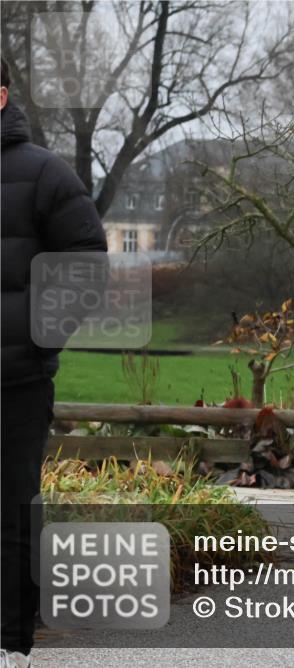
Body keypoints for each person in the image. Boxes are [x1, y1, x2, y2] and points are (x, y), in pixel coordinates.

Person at [1, 58, 108, 668]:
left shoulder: (44, 174)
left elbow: (87, 261)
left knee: (12, 512)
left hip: (14, 381)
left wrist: (39, 339)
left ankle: (11, 644)